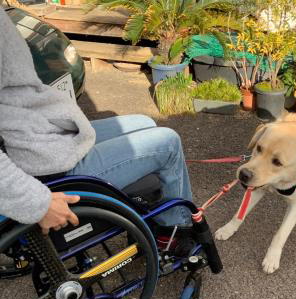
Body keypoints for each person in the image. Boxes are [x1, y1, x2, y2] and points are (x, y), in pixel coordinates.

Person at [0, 6, 193, 236]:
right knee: (168, 143)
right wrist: (38, 203)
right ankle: (176, 231)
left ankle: (148, 215)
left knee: (145, 122)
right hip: (45, 165)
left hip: (42, 138)